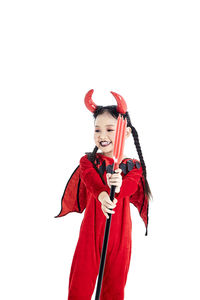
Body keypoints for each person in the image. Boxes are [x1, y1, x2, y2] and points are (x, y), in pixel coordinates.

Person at [55, 89, 153, 300]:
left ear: (125, 133)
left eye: (110, 129)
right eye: (97, 130)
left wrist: (119, 185)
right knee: (80, 284)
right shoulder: (88, 161)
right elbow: (90, 181)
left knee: (114, 286)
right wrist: (102, 194)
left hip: (120, 236)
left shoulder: (132, 167)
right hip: (91, 232)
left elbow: (130, 189)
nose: (102, 136)